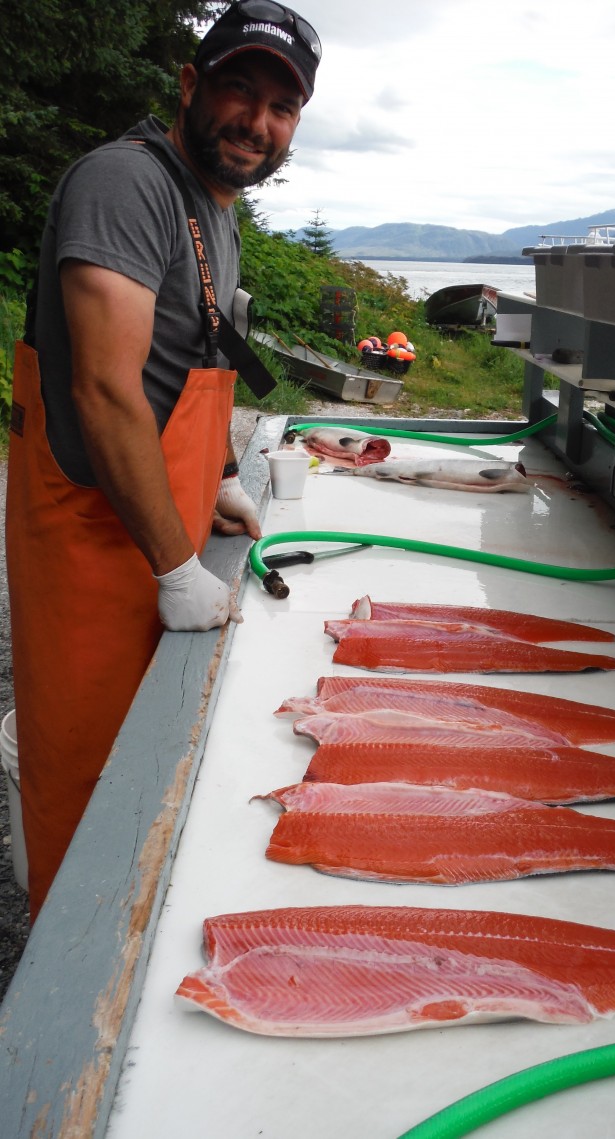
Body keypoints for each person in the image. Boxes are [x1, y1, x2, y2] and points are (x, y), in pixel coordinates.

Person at [6, 2, 322, 920]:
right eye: (239, 90)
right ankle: (63, 961)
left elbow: (192, 358)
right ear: (190, 85)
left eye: (281, 107)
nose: (256, 122)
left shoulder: (213, 207)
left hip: (154, 541)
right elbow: (107, 392)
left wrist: (219, 476)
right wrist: (179, 569)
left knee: (147, 784)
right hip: (94, 552)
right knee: (88, 792)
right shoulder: (126, 184)